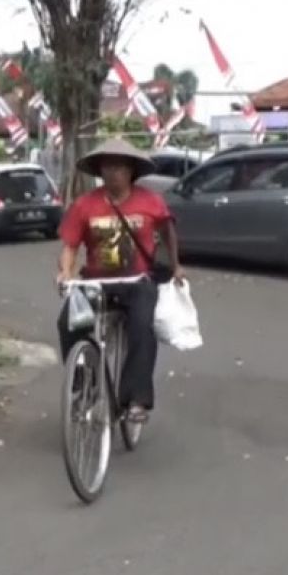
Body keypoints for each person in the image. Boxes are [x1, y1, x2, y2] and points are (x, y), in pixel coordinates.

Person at [55, 138, 186, 423]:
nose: (112, 171)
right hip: (95, 282)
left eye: (119, 166)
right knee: (68, 322)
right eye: (107, 166)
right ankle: (83, 384)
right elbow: (70, 246)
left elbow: (167, 233)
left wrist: (175, 265)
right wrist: (66, 272)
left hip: (137, 281)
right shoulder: (84, 205)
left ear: (131, 171)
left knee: (142, 326)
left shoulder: (150, 201)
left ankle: (135, 400)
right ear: (100, 171)